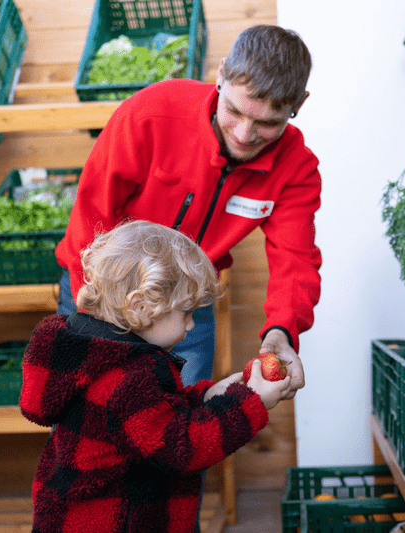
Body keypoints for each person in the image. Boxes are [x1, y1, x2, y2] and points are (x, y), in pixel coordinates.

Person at [55, 24, 321, 399]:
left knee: (182, 431)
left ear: (300, 104)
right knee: (86, 425)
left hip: (187, 309)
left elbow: (295, 260)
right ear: (221, 74)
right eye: (234, 111)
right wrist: (103, 310)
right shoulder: (150, 112)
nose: (244, 135)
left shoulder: (297, 169)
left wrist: (282, 329)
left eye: (267, 123)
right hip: (102, 290)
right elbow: (93, 212)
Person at [20, 220, 291, 533]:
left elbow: (154, 417)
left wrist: (211, 396)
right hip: (120, 522)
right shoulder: (130, 375)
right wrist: (249, 403)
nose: (191, 326)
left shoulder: (95, 355)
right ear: (140, 305)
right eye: (185, 313)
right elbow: (180, 448)